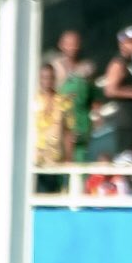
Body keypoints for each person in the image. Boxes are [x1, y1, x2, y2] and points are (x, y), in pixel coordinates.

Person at [102, 27, 132, 157]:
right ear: (122, 43)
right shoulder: (118, 63)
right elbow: (110, 90)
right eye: (131, 41)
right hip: (126, 119)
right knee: (125, 157)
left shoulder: (131, 63)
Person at [50, 30, 96, 161]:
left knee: (80, 158)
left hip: (81, 120)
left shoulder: (87, 68)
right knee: (62, 157)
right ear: (61, 45)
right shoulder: (55, 67)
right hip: (60, 119)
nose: (72, 47)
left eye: (75, 44)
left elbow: (93, 96)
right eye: (68, 44)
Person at [33, 63, 75, 191]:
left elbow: (68, 132)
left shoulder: (62, 101)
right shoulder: (32, 101)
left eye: (50, 77)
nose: (47, 81)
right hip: (34, 158)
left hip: (55, 157)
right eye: (44, 77)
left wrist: (68, 157)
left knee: (53, 194)